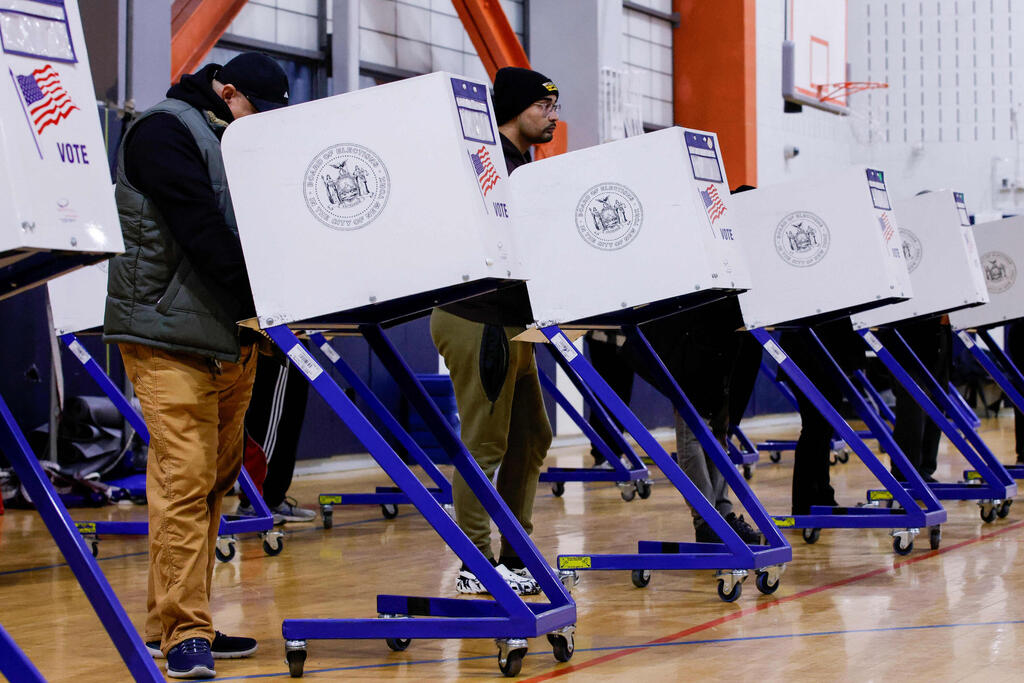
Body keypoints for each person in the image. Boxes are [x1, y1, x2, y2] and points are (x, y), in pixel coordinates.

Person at [104, 53, 289, 679]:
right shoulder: (162, 131)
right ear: (227, 90)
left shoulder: (234, 139)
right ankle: (187, 633)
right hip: (169, 337)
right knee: (183, 481)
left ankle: (177, 621)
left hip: (232, 339)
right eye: (253, 113)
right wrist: (274, 300)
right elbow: (203, 233)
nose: (258, 128)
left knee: (213, 485)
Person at [431, 66, 559, 596]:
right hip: (478, 316)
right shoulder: (485, 164)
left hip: (513, 320)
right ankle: (474, 563)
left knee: (532, 436)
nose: (554, 115)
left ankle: (517, 553)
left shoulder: (521, 167)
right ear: (514, 109)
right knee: (485, 443)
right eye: (544, 106)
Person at [238, 350, 317, 523]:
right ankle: (252, 501)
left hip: (298, 335)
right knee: (267, 421)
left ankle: (274, 498)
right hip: (272, 341)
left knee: (290, 421)